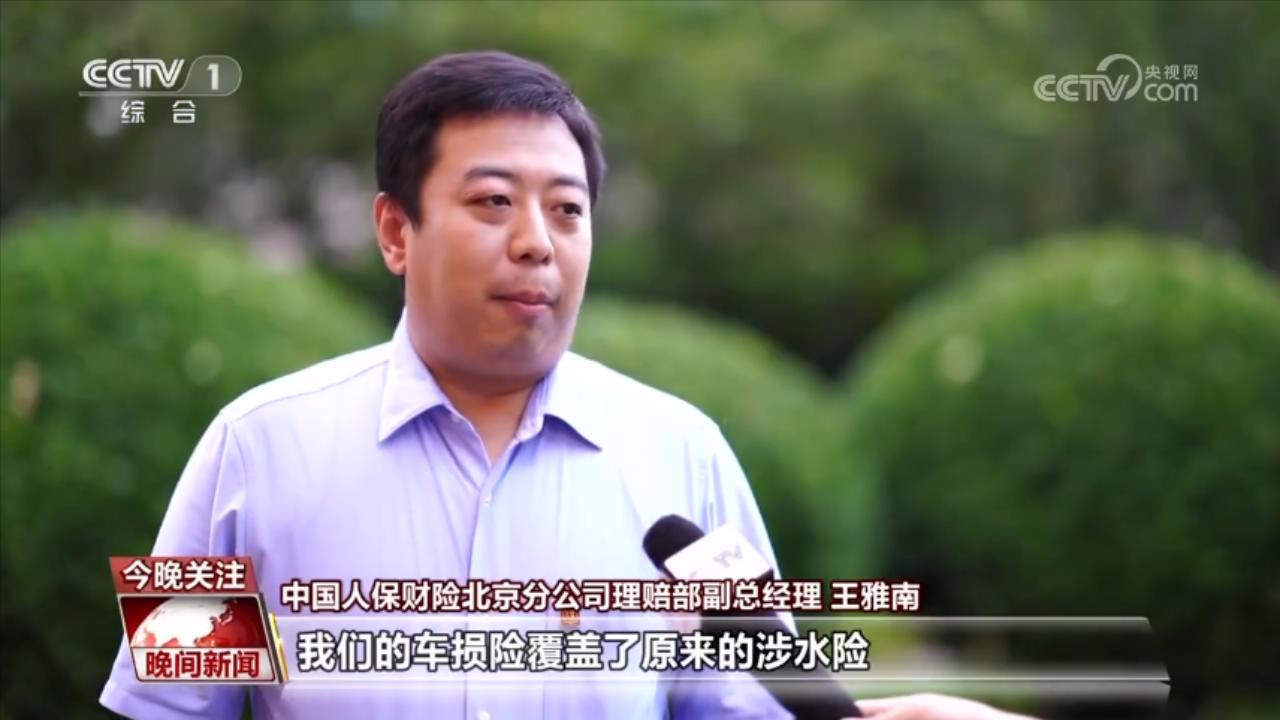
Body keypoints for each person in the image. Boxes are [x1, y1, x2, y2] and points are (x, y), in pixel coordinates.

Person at [101, 50, 1032, 720]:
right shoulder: (251, 450)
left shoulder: (685, 455)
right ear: (394, 230)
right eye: (493, 202)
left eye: (567, 209)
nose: (536, 242)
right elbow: (164, 708)